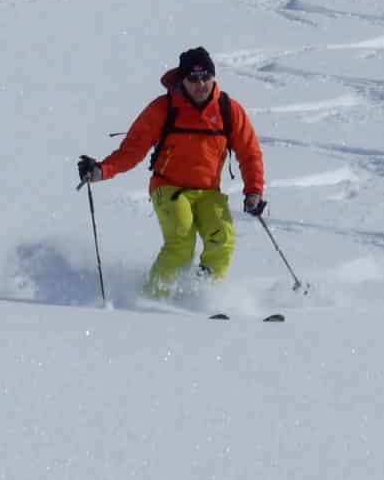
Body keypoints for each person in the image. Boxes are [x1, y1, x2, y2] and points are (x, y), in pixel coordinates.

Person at [77, 46, 266, 298]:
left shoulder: (228, 111)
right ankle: (153, 298)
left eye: (205, 77)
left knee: (223, 239)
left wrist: (253, 191)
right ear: (183, 80)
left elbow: (249, 153)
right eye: (193, 78)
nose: (200, 84)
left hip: (208, 191)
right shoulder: (163, 108)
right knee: (181, 238)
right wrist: (101, 170)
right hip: (169, 187)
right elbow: (133, 149)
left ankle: (202, 296)